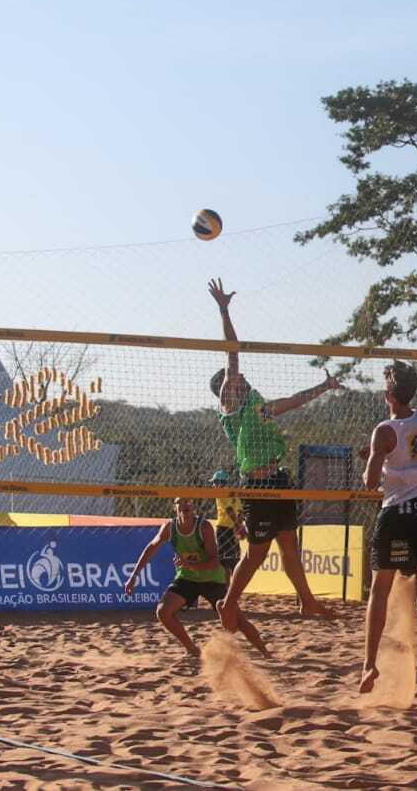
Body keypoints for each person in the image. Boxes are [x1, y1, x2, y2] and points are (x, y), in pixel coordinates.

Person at [207, 278, 341, 631]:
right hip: (257, 485)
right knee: (255, 553)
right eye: (235, 379)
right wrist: (224, 309)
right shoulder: (231, 406)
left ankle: (307, 602)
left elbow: (294, 401)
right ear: (226, 389)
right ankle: (228, 602)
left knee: (289, 545)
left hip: (278, 480)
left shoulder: (258, 407)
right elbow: (232, 353)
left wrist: (324, 387)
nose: (242, 377)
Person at [359, 360, 417, 699]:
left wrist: (373, 456)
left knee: (379, 590)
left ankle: (369, 664)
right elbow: (411, 456)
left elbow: (370, 483)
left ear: (388, 395)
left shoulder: (383, 430)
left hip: (397, 513)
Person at [125, 497, 268, 659]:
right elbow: (150, 549)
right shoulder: (169, 527)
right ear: (174, 507)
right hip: (188, 578)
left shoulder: (203, 527)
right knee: (163, 612)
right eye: (181, 502)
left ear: (193, 506)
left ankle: (266, 653)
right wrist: (134, 575)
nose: (186, 505)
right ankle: (192, 649)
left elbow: (214, 562)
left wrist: (189, 565)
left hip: (212, 579)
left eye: (189, 502)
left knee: (238, 620)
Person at [209, 470, 245, 580]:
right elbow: (240, 512)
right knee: (234, 561)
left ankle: (226, 590)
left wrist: (237, 525)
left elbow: (229, 510)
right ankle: (231, 589)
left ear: (220, 482)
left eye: (214, 482)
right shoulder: (233, 494)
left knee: (224, 563)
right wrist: (238, 525)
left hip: (223, 529)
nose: (213, 485)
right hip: (232, 529)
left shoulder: (221, 493)